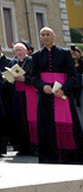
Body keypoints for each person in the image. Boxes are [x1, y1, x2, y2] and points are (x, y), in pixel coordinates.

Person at [28, 27, 81, 163]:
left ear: (54, 36)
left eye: (48, 34)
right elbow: (33, 77)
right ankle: (49, 159)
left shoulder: (64, 53)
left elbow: (73, 77)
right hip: (45, 98)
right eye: (42, 35)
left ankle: (70, 159)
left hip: (62, 96)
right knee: (46, 127)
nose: (45, 37)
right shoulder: (36, 55)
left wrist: (64, 89)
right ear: (40, 37)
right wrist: (42, 86)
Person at [8, 41, 35, 156]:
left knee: (30, 120)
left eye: (20, 50)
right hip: (16, 95)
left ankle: (33, 147)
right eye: (16, 51)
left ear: (26, 51)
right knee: (19, 120)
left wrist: (24, 79)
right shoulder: (13, 62)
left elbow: (36, 76)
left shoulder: (32, 61)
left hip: (30, 94)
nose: (18, 52)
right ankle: (21, 147)